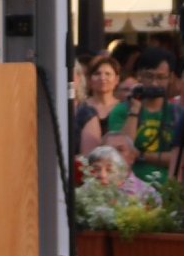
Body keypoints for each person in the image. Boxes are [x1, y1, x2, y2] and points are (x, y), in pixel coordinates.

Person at [107, 47, 181, 184]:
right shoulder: (121, 110)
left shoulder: (177, 113)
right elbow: (121, 151)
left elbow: (178, 158)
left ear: (170, 77)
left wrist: (141, 155)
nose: (154, 83)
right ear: (139, 75)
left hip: (168, 189)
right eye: (149, 76)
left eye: (160, 77)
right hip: (131, 188)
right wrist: (134, 110)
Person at [75, 54, 121, 154]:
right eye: (97, 73)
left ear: (117, 79)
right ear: (89, 79)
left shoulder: (124, 108)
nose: (102, 78)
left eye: (108, 74)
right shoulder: (81, 107)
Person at [101, 132, 160, 200]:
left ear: (132, 157)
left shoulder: (148, 194)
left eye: (120, 150)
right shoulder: (91, 189)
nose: (114, 154)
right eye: (108, 150)